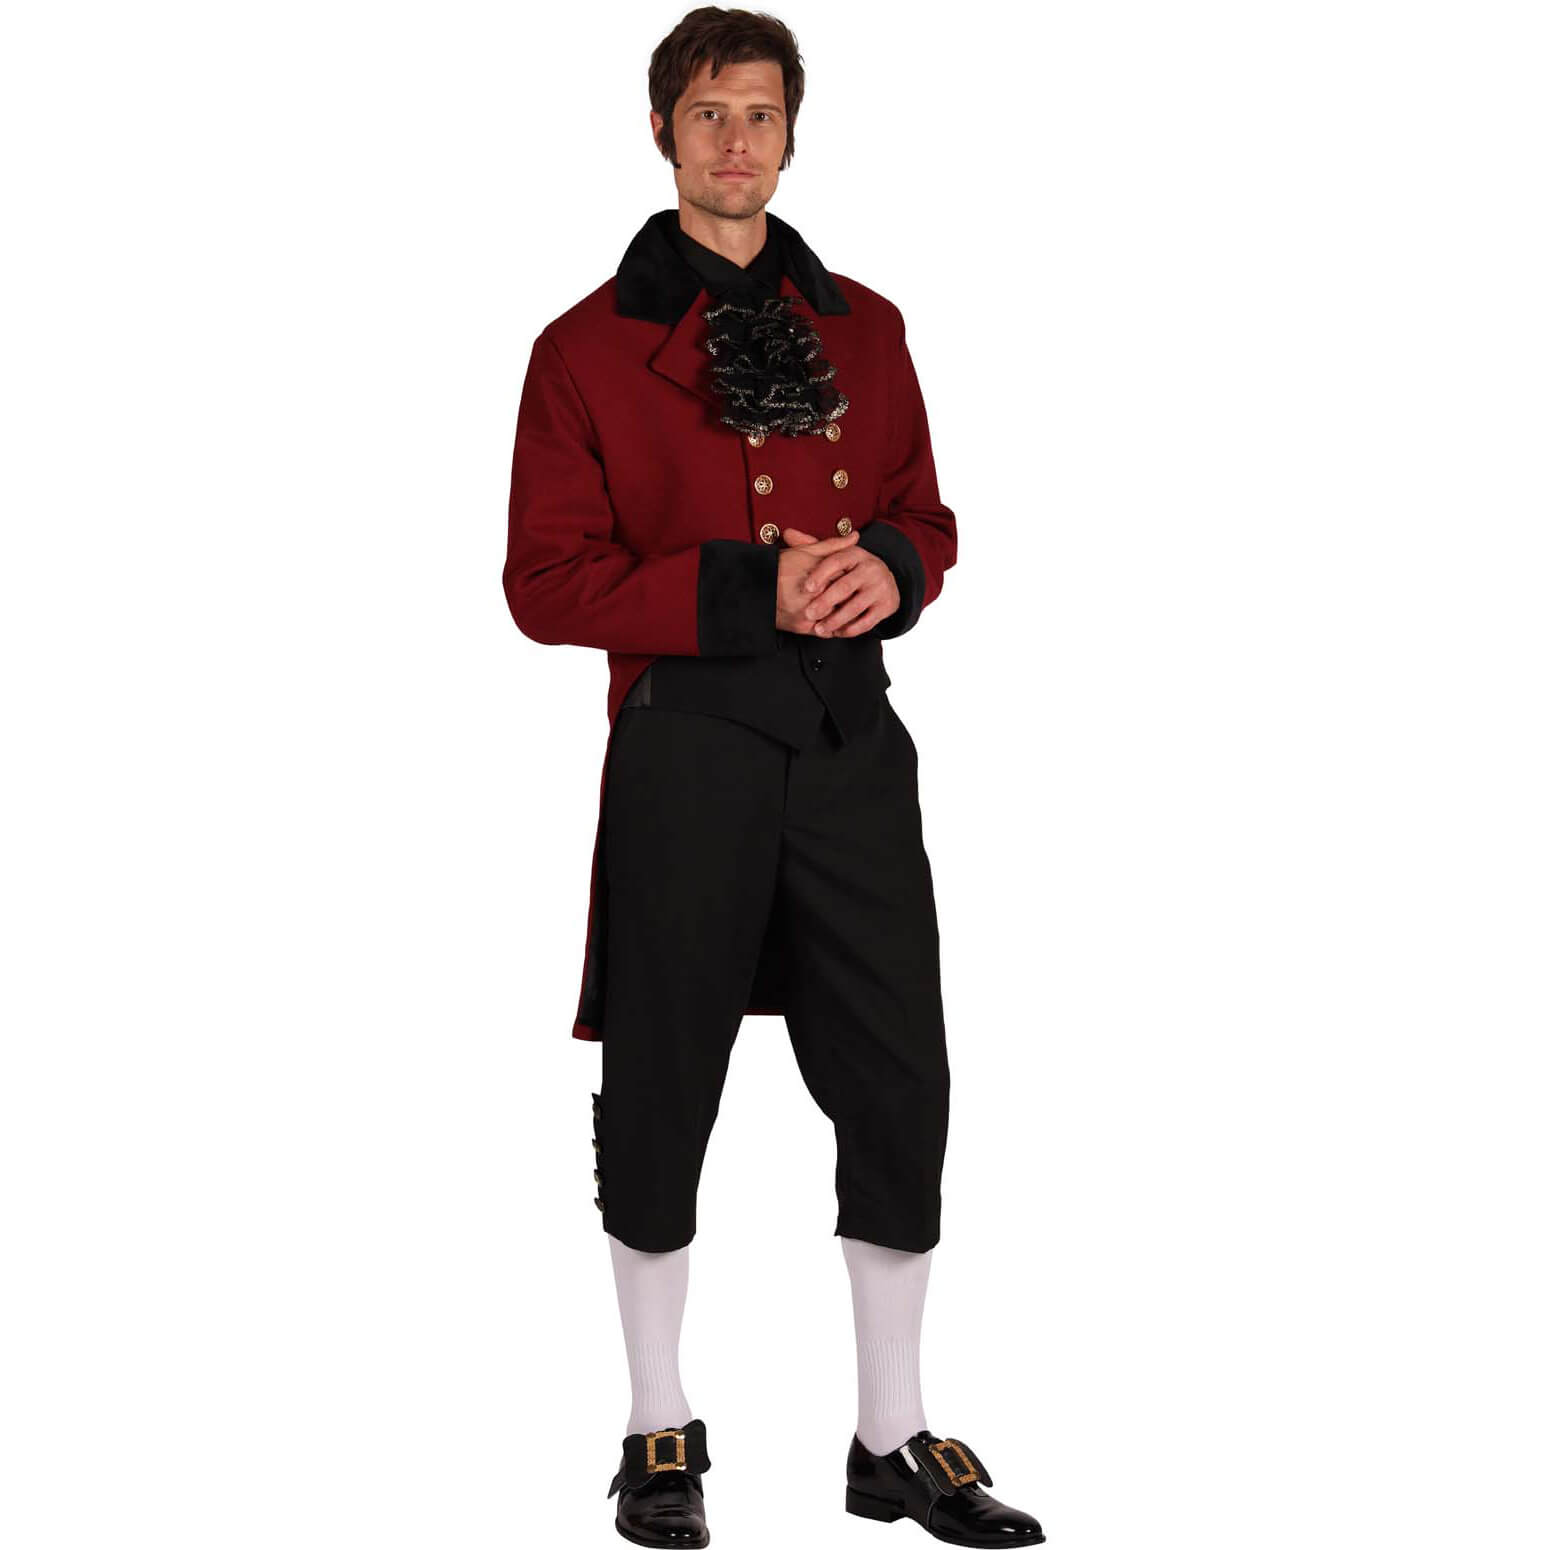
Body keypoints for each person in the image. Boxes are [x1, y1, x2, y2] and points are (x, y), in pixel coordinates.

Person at [503, 9, 1046, 1546]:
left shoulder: (867, 326)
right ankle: (655, 1426)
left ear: (791, 131)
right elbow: (543, 583)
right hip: (684, 743)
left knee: (899, 1076)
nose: (733, 139)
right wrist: (750, 589)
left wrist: (891, 569)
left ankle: (891, 1434)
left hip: (852, 744)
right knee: (662, 1077)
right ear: (660, 133)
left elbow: (925, 514)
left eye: (757, 112)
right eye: (706, 113)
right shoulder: (578, 350)